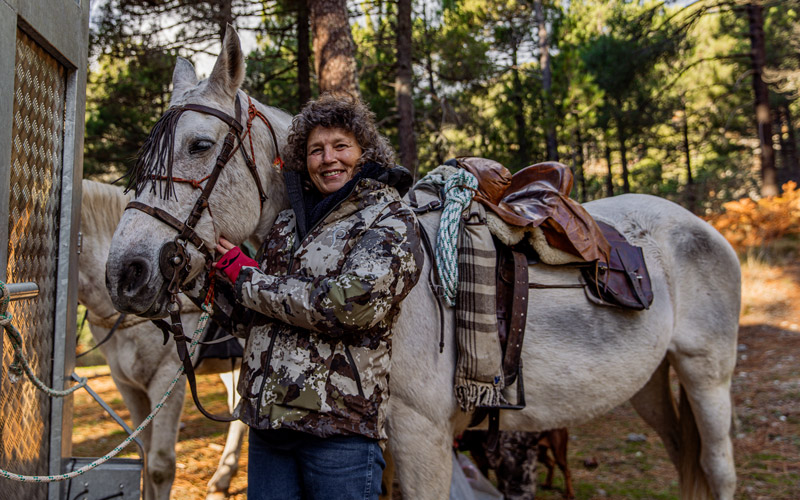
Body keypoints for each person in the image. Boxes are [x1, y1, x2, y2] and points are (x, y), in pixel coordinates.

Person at [193, 93, 423, 500]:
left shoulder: (390, 220)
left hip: (338, 434)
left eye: (340, 146)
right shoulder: (286, 225)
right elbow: (258, 318)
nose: (328, 158)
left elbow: (348, 306)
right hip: (270, 432)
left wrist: (246, 276)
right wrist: (206, 281)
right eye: (316, 150)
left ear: (365, 153)